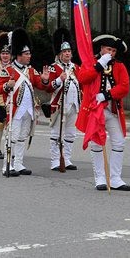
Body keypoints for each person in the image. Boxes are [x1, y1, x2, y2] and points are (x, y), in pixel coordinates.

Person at [77, 34, 130, 191]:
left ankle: (115, 178)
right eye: (108, 49)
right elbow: (83, 78)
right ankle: (100, 177)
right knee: (96, 142)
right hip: (95, 110)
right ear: (101, 49)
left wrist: (107, 95)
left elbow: (124, 87)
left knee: (119, 142)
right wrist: (98, 66)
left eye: (114, 51)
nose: (111, 53)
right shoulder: (91, 63)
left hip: (112, 110)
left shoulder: (119, 66)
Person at [0, 28, 50, 176]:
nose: (29, 56)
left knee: (22, 137)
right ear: (19, 55)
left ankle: (18, 163)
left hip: (29, 109)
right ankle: (7, 166)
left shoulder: (30, 70)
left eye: (29, 53)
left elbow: (39, 84)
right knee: (12, 137)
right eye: (26, 54)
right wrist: (8, 86)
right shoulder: (8, 71)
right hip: (15, 109)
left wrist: (45, 79)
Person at [46, 28, 81, 171]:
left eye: (69, 51)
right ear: (60, 54)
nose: (67, 53)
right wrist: (59, 80)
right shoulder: (54, 68)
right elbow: (49, 87)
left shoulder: (76, 68)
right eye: (64, 52)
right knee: (56, 134)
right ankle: (55, 160)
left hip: (74, 105)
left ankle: (66, 158)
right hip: (59, 105)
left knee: (71, 133)